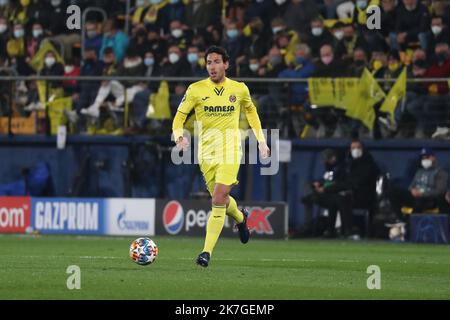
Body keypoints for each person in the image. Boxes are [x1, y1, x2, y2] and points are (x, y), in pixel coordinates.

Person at [172, 46, 270, 267]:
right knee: (222, 200)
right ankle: (241, 217)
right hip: (206, 154)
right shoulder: (195, 90)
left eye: (216, 62)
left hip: (230, 150)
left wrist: (261, 142)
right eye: (208, 62)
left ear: (226, 64)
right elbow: (178, 118)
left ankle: (206, 253)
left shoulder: (239, 89)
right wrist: (179, 138)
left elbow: (251, 112)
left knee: (217, 199)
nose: (212, 67)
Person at [389, 147, 448, 219]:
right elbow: (411, 186)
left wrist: (422, 194)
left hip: (429, 199)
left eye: (426, 157)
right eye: (423, 158)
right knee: (394, 191)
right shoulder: (419, 171)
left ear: (433, 158)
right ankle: (399, 218)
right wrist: (412, 191)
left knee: (420, 201)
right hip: (416, 196)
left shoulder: (440, 172)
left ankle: (410, 222)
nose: (424, 160)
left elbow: (440, 191)